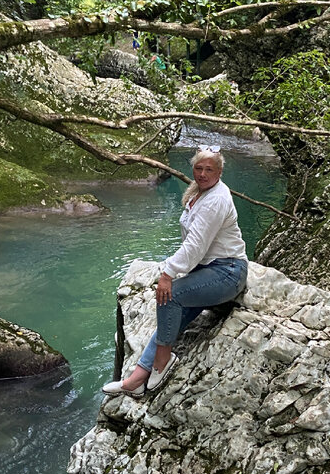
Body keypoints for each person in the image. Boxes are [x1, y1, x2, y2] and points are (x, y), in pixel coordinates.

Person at [102, 146, 248, 396]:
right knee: (171, 317)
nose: (202, 174)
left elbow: (195, 245)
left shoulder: (216, 200)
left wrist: (168, 274)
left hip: (228, 272)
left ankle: (162, 363)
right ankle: (136, 380)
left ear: (220, 172)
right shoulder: (201, 191)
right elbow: (194, 246)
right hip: (210, 270)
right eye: (198, 168)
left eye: (209, 169)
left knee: (171, 295)